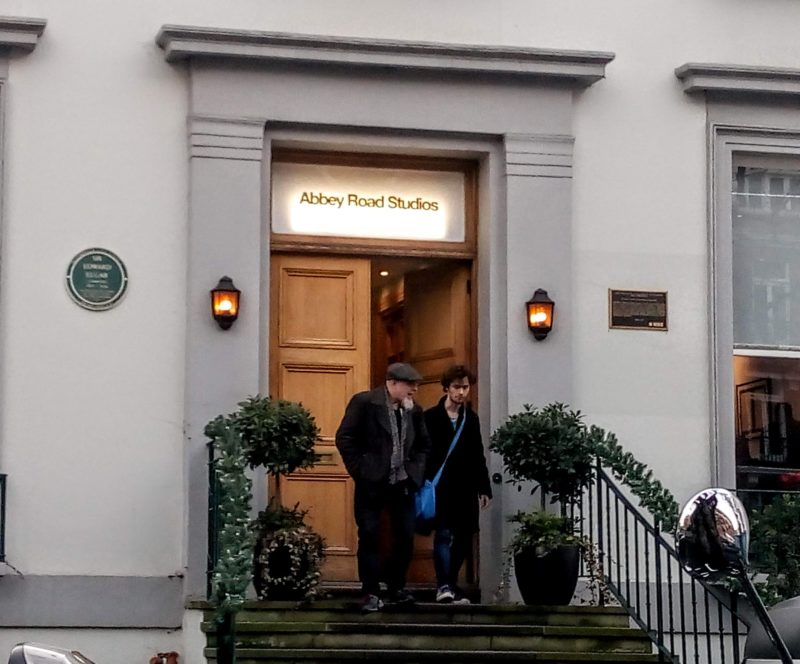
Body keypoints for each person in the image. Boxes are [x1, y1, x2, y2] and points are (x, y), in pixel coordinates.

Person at [335, 362, 431, 612]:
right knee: (369, 534)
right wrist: (361, 470)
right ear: (392, 383)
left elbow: (423, 445)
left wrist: (414, 472)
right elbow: (345, 438)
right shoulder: (365, 403)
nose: (415, 390)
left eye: (416, 385)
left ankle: (396, 587)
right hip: (372, 482)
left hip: (402, 484)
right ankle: (370, 592)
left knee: (405, 536)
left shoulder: (414, 411)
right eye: (410, 385)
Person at [423, 365, 491, 604]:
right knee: (442, 534)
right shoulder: (430, 417)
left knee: (463, 537)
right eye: (457, 387)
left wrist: (484, 488)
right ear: (446, 388)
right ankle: (443, 585)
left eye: (465, 387)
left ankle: (450, 583)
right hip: (440, 486)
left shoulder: (470, 419)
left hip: (465, 486)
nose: (462, 392)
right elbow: (423, 452)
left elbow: (477, 453)